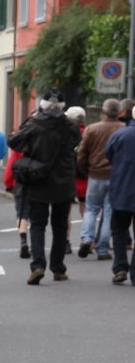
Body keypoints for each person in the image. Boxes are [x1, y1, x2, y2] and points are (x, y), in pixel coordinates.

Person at [9, 94, 80, 285]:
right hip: (63, 181)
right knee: (60, 226)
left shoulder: (34, 124)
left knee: (37, 225)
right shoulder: (70, 125)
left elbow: (13, 141)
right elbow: (77, 144)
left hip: (38, 179)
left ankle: (38, 265)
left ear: (42, 107)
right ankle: (58, 268)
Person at [76, 98, 121, 261]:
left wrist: (85, 169)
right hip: (116, 176)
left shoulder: (92, 129)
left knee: (91, 209)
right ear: (119, 113)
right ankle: (102, 248)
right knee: (109, 212)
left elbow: (82, 152)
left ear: (103, 111)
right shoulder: (123, 129)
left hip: (95, 174)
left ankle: (86, 239)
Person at [108, 99, 135, 285]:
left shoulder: (120, 134)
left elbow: (108, 154)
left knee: (118, 230)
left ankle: (120, 267)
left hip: (122, 189)